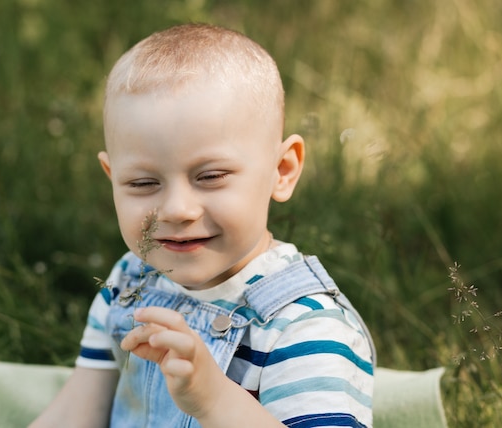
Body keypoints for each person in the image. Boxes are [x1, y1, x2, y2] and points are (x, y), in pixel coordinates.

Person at [30, 23, 375, 428]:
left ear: (281, 170)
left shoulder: (303, 325)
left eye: (210, 176)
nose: (177, 209)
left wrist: (214, 402)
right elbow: (78, 411)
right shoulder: (128, 284)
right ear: (112, 178)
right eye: (143, 183)